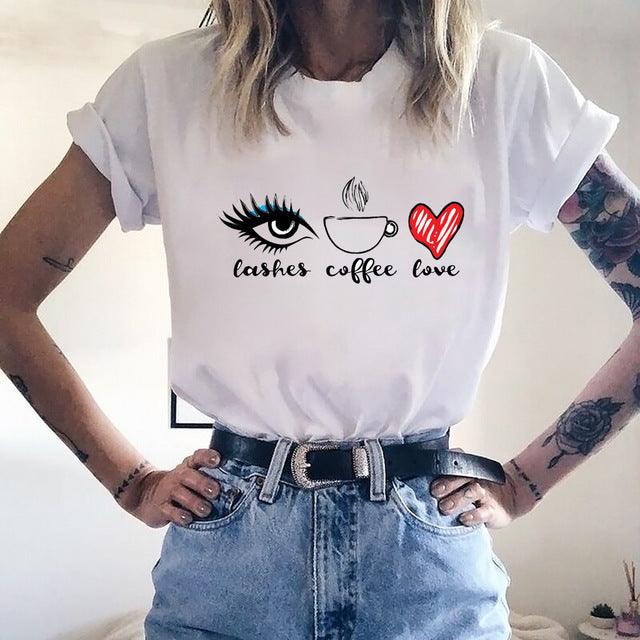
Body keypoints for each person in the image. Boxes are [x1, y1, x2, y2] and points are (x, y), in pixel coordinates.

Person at [0, 1, 636, 638]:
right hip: (232, 561)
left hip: (424, 563)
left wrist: (522, 483)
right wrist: (132, 483)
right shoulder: (164, 85)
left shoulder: (504, 82)